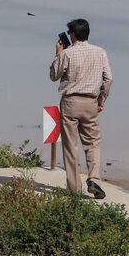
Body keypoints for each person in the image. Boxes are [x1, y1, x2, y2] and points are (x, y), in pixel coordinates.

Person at [50, 18, 112, 199]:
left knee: (70, 146)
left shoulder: (67, 54)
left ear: (74, 35)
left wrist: (57, 54)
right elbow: (108, 79)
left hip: (70, 102)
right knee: (93, 143)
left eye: (70, 33)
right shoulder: (100, 52)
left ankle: (74, 189)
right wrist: (102, 98)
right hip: (91, 102)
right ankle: (94, 179)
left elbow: (54, 76)